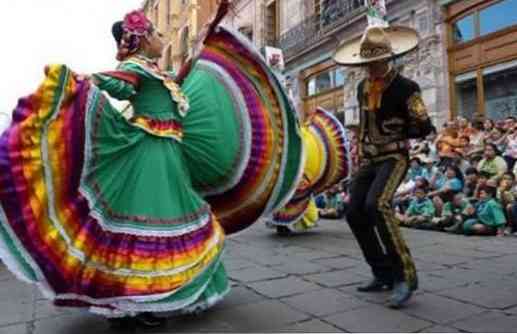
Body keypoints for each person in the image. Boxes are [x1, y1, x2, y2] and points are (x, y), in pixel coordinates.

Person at [0, 3, 304, 327]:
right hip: (151, 157)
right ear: (143, 38)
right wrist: (84, 80)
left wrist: (208, 31)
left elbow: (179, 77)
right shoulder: (136, 67)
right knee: (152, 232)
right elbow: (118, 83)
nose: (161, 37)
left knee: (168, 231)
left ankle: (147, 300)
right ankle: (136, 305)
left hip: (167, 155)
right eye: (157, 32)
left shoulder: (154, 70)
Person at [334, 24, 433, 308]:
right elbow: (364, 125)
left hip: (395, 157)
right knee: (353, 211)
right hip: (370, 159)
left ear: (385, 59)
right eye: (365, 63)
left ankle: (405, 277)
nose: (368, 68)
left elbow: (424, 127)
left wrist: (401, 129)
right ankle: (382, 273)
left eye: (373, 63)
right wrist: (360, 150)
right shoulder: (363, 87)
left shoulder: (407, 88)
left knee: (378, 205)